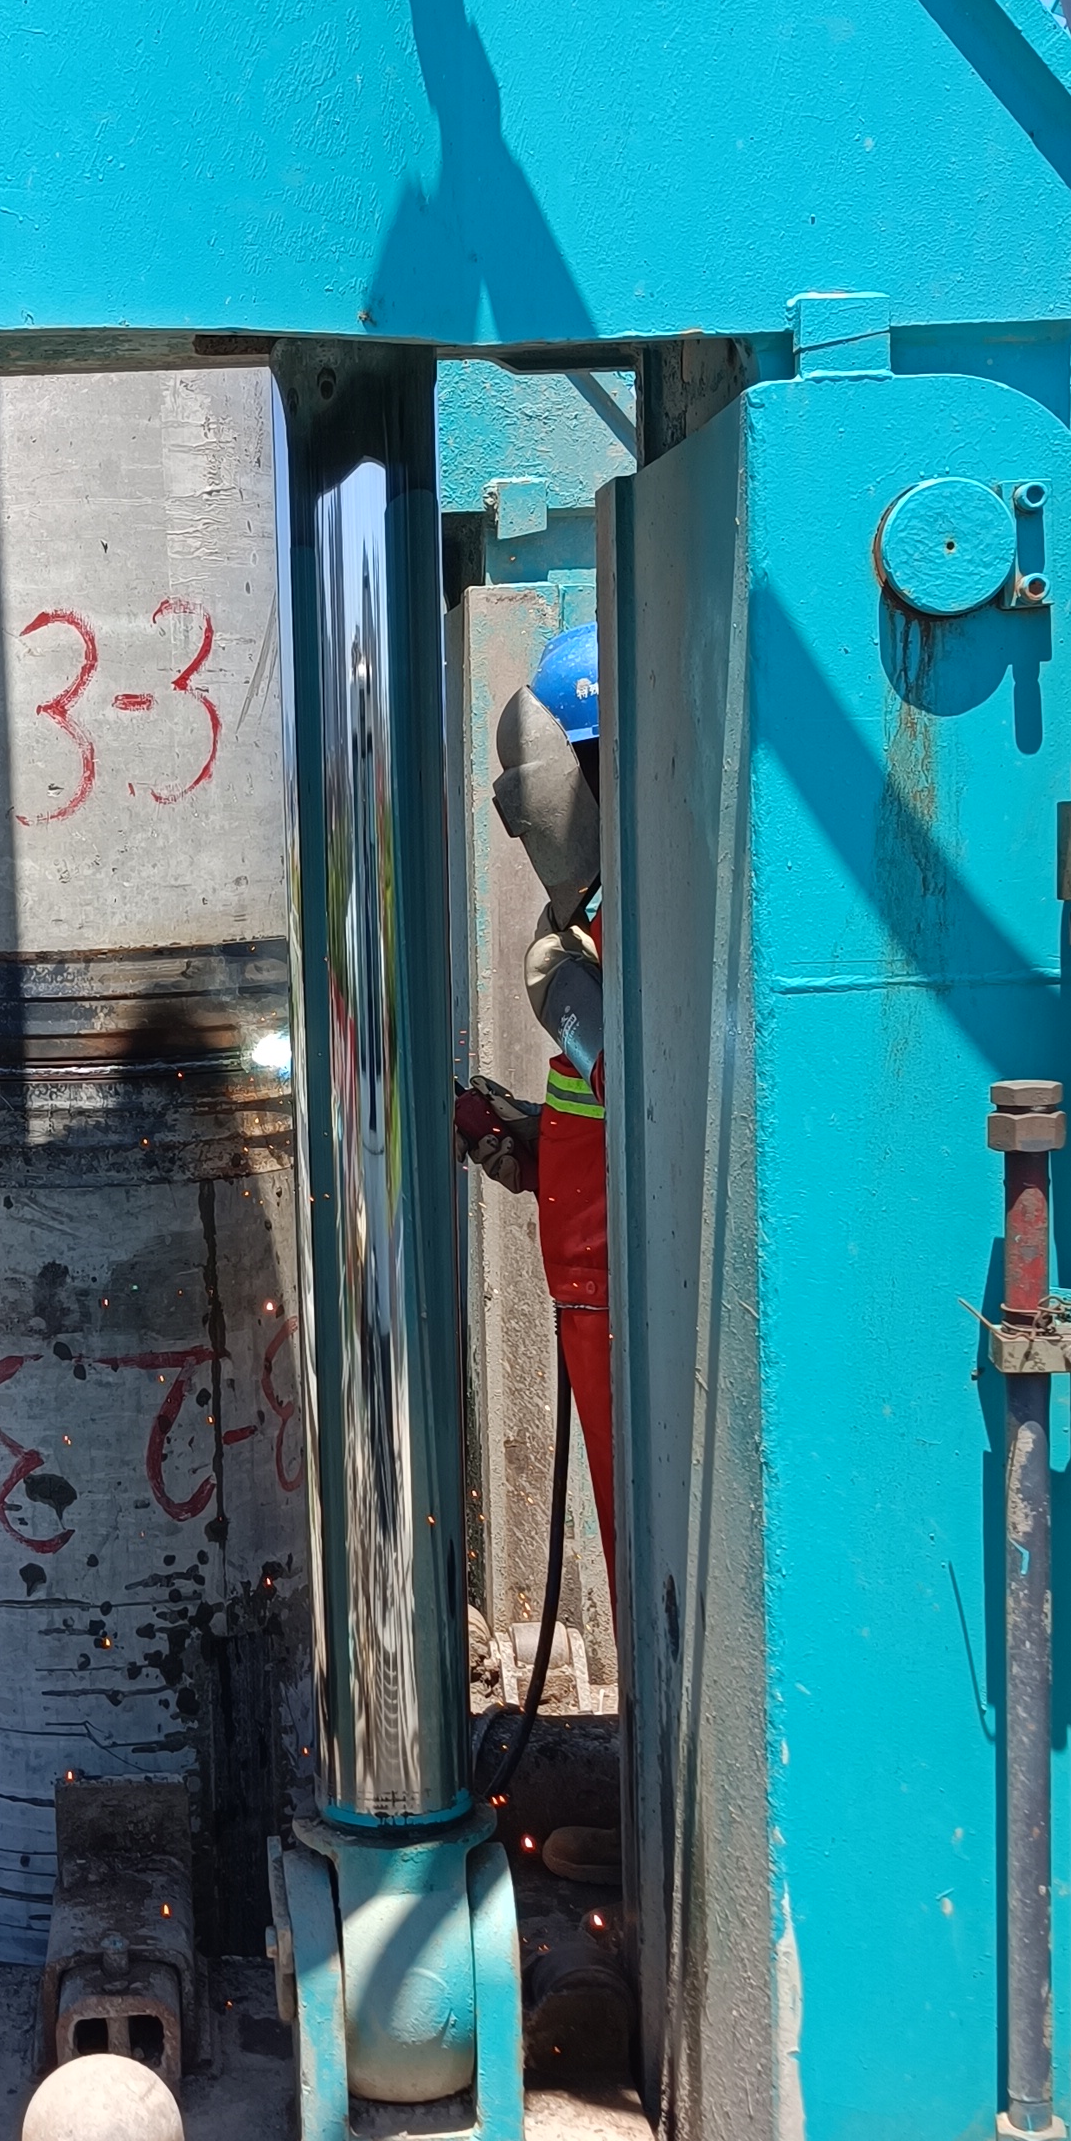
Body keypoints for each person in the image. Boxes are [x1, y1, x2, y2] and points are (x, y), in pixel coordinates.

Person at [453, 622, 618, 1622]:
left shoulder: (617, 938)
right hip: (604, 1292)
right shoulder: (601, 933)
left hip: (628, 1304)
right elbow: (620, 1112)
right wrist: (536, 1144)